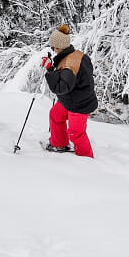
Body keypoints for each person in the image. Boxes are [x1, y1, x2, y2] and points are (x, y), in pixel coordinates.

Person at [42, 24, 97, 157]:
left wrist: (50, 71)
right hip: (73, 99)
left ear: (60, 47)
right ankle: (59, 144)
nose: (52, 49)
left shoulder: (69, 64)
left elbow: (61, 87)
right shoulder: (75, 55)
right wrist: (53, 68)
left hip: (79, 104)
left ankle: (86, 160)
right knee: (55, 115)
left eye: (53, 47)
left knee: (76, 134)